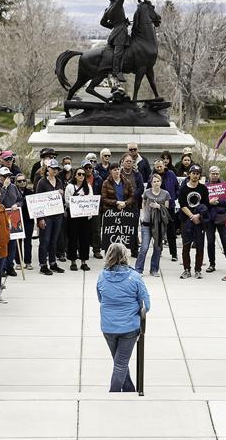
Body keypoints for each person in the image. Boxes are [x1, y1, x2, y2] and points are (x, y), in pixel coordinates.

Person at [96, 242, 150, 392]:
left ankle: (129, 390)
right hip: (129, 328)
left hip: (108, 326)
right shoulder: (135, 277)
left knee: (119, 361)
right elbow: (146, 305)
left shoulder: (101, 276)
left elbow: (100, 298)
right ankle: (113, 393)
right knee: (121, 363)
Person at [136, 172, 172, 277]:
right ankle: (138, 269)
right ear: (151, 183)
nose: (156, 183)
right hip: (147, 223)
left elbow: (167, 209)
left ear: (161, 182)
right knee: (144, 247)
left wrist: (158, 206)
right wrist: (142, 217)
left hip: (159, 225)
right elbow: (142, 205)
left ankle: (154, 269)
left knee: (157, 248)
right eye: (154, 181)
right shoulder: (147, 193)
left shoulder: (165, 194)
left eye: (158, 181)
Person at [35, 159, 66, 274]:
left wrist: (61, 195)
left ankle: (53, 263)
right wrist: (40, 218)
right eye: (53, 168)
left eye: (56, 169)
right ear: (48, 169)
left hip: (57, 215)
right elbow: (38, 201)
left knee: (54, 240)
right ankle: (43, 264)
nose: (55, 171)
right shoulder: (42, 182)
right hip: (46, 216)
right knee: (45, 240)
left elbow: (61, 200)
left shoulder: (59, 181)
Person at [178, 166, 209, 279]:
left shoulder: (203, 188)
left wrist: (198, 216)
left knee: (199, 246)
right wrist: (191, 216)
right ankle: (186, 269)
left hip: (199, 221)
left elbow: (206, 205)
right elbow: (182, 205)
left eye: (197, 173)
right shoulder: (183, 188)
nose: (195, 175)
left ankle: (198, 269)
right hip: (186, 220)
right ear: (189, 174)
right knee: (186, 246)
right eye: (193, 173)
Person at [65, 167, 94, 272]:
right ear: (75, 175)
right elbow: (67, 201)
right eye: (79, 174)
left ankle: (83, 261)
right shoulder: (70, 187)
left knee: (85, 239)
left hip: (85, 217)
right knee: (73, 239)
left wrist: (84, 199)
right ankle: (73, 261)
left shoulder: (88, 187)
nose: (81, 176)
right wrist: (77, 199)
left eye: (83, 174)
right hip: (73, 216)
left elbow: (91, 199)